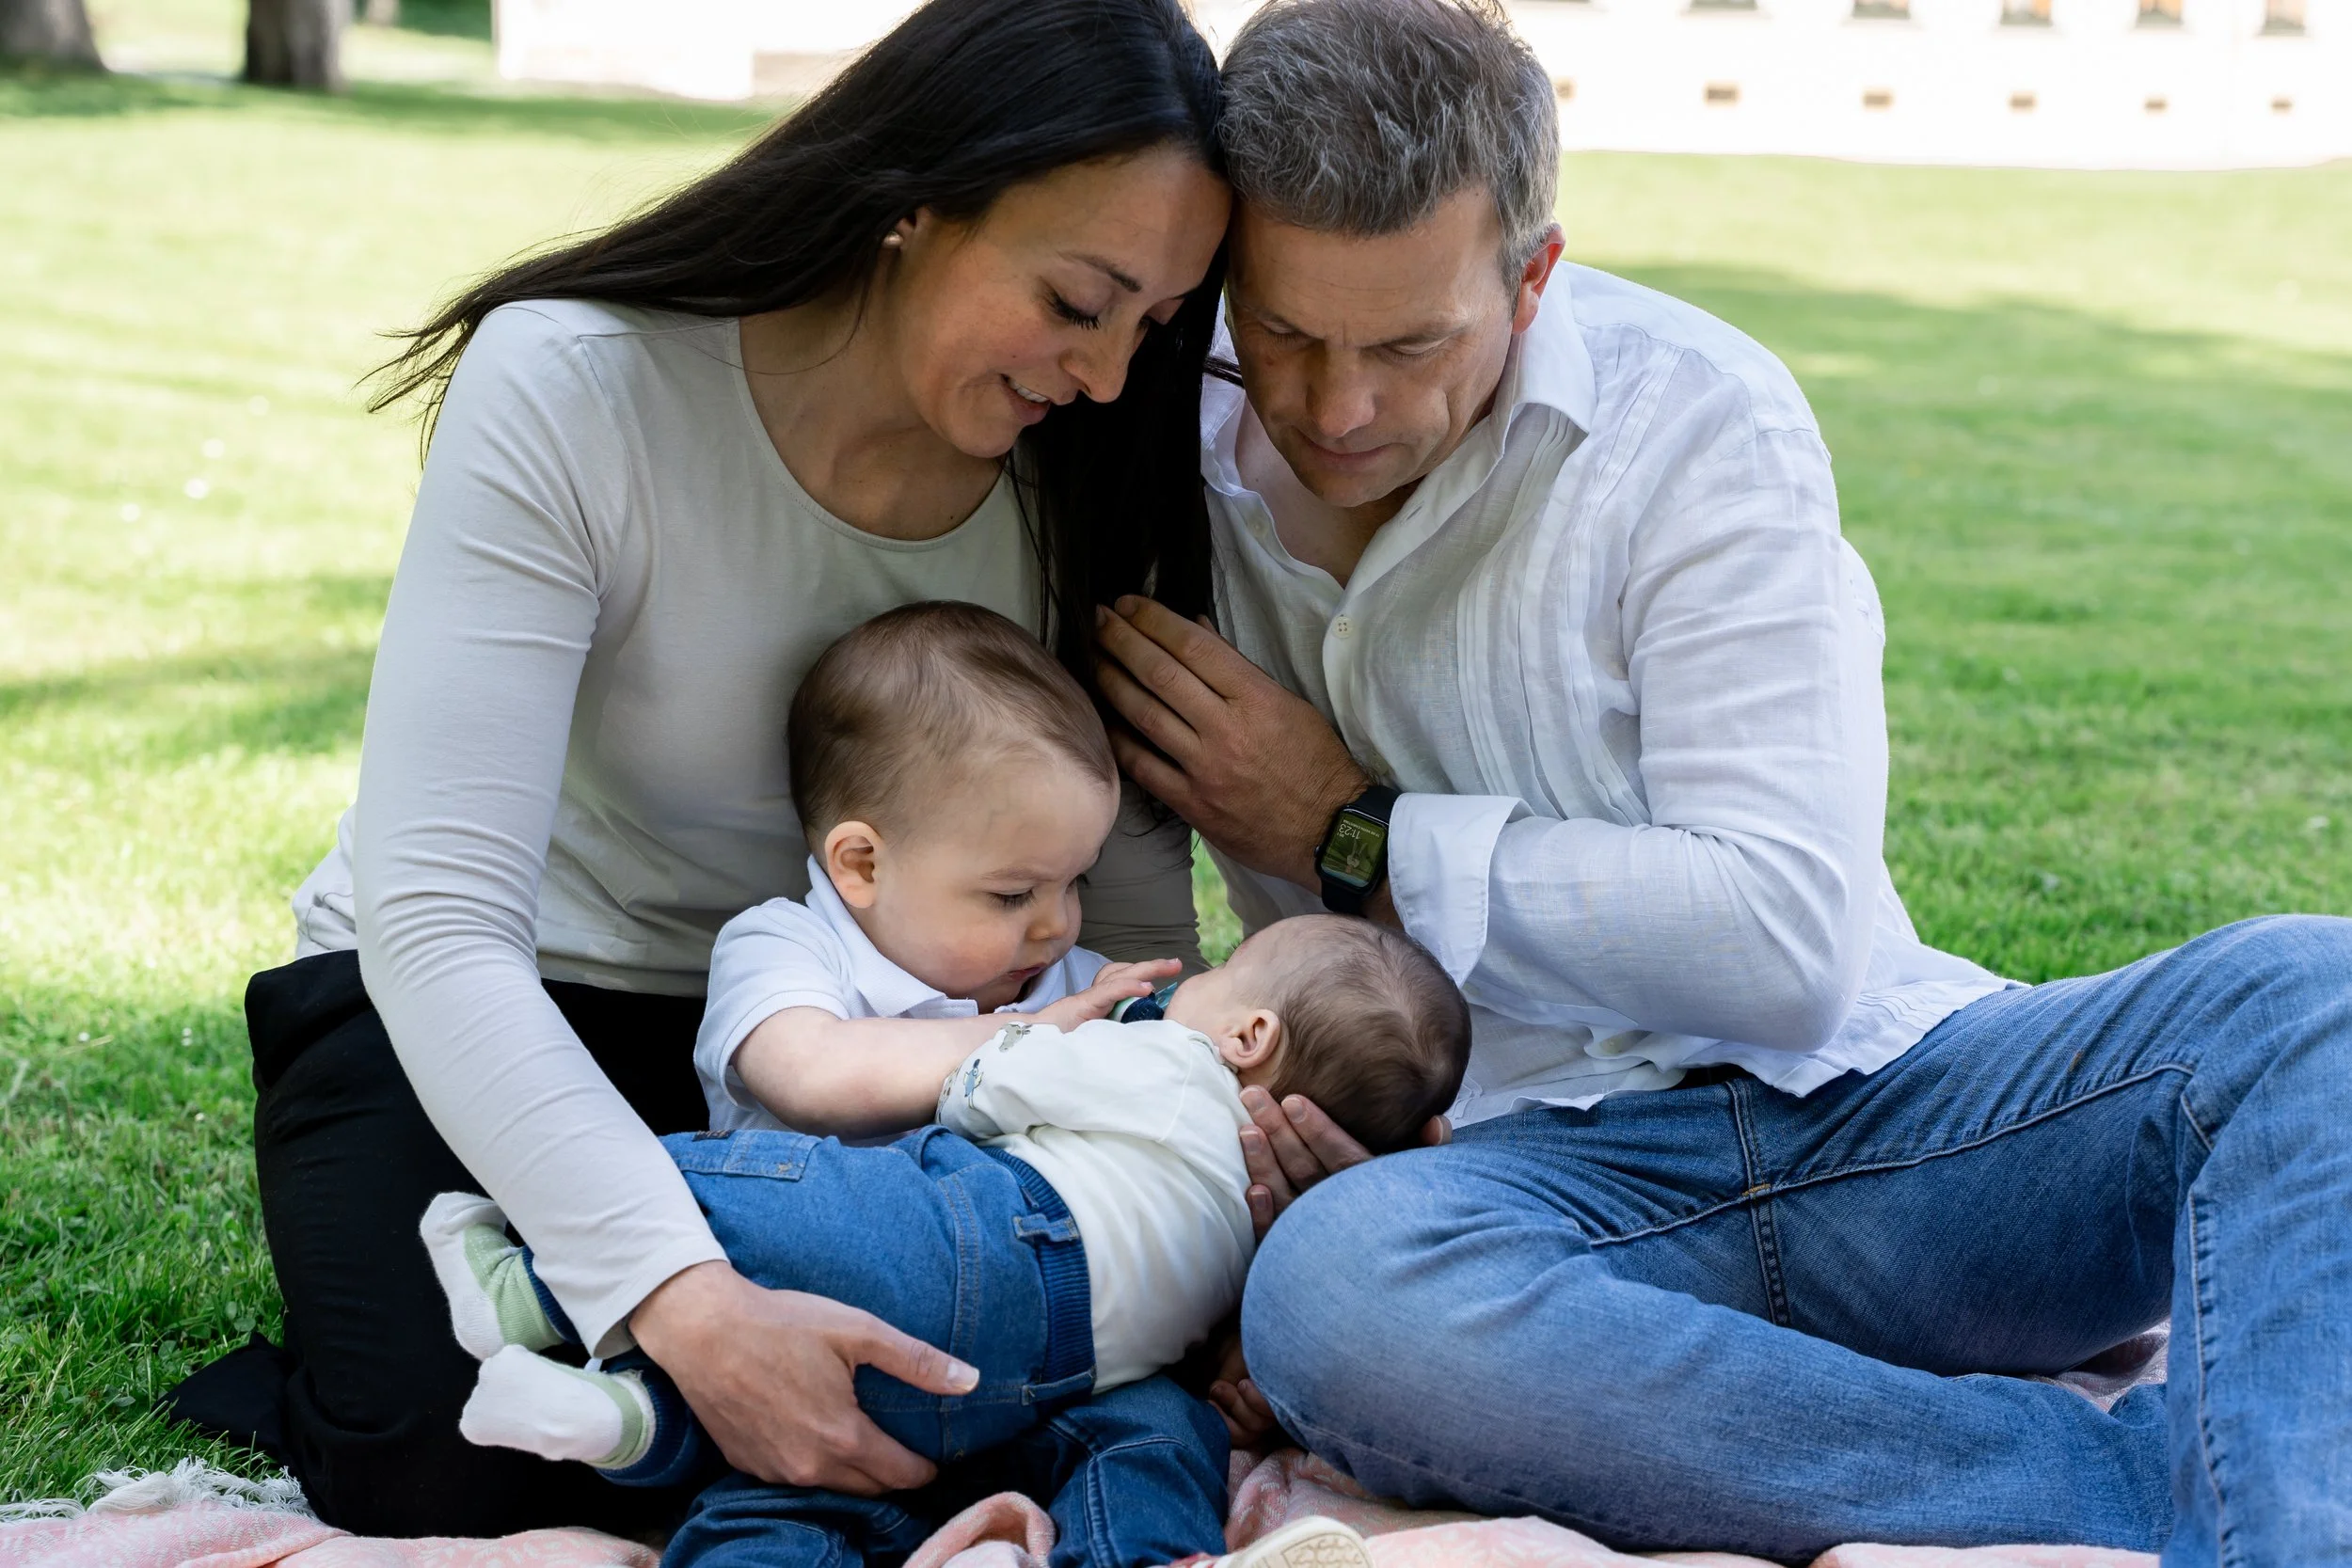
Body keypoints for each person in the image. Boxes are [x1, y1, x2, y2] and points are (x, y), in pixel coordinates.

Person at [1090, 0, 2352, 1562]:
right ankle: (2141, 1474)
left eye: (1411, 344)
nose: (1339, 406)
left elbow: (1787, 943)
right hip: (1509, 1185)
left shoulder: (1696, 416)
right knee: (1335, 1295)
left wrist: (1360, 833)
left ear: (1532, 277)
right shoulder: (1162, 456)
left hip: (1893, 1125)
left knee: (2318, 997)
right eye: (1287, 333)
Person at [167, 0, 1232, 1536]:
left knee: (1033, 1366)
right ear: (916, 201)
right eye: (1080, 299)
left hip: (870, 1036)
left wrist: (1184, 1141)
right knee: (441, 1450)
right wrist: (687, 1300)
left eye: (1154, 324)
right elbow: (438, 920)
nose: (1114, 376)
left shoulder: (1089, 477)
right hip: (497, 996)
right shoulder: (578, 383)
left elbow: (1123, 901)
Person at [417, 602, 1465, 1568]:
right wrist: (1022, 1038)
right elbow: (810, 1071)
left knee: (1160, 1433)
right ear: (863, 864)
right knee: (771, 1502)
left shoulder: (1062, 980)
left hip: (1045, 1359)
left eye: (1073, 883)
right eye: (1014, 891)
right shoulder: (790, 947)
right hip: (806, 1345)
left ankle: (1146, 1554)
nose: (1055, 924)